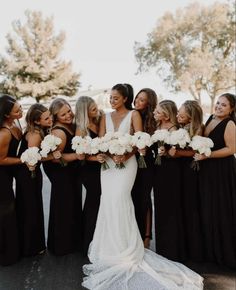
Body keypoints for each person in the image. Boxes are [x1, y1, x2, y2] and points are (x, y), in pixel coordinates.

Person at [82, 84, 203, 290]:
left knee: (121, 198)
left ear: (125, 98)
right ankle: (107, 247)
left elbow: (140, 142)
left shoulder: (134, 115)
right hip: (109, 164)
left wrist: (125, 154)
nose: (112, 101)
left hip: (128, 163)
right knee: (108, 200)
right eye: (110, 98)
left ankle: (126, 246)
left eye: (116, 98)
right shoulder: (105, 117)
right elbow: (102, 141)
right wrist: (110, 154)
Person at [194, 93, 236, 268]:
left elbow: (231, 149)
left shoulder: (230, 124)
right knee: (207, 208)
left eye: (224, 105)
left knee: (221, 209)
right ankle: (210, 251)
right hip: (207, 170)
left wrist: (208, 155)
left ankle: (225, 254)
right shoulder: (211, 118)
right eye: (218, 103)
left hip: (222, 171)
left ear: (231, 109)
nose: (219, 106)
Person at [15, 103, 59, 257]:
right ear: (37, 121)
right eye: (46, 118)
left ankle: (33, 245)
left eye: (50, 115)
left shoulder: (38, 130)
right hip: (28, 174)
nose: (50, 119)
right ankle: (32, 247)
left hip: (30, 173)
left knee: (32, 207)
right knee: (31, 209)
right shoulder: (34, 134)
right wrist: (53, 155)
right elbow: (33, 158)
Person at [43, 98, 82, 255]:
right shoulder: (59, 132)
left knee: (71, 206)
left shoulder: (70, 126)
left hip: (71, 173)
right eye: (63, 114)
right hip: (62, 174)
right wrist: (77, 156)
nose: (68, 115)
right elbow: (55, 157)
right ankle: (62, 245)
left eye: (69, 111)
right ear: (56, 116)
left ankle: (71, 241)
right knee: (64, 208)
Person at [169, 100, 204, 262]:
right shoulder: (180, 128)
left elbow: (194, 152)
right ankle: (181, 246)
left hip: (191, 171)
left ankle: (194, 250)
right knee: (180, 206)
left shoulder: (198, 129)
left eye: (181, 114)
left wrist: (177, 154)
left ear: (190, 117)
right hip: (179, 170)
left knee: (191, 207)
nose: (177, 116)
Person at [152, 100, 186, 262]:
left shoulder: (176, 130)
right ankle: (162, 247)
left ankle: (173, 249)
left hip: (171, 172)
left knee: (171, 207)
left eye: (158, 112)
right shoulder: (158, 127)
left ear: (166, 115)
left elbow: (179, 152)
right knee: (161, 207)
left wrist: (168, 152)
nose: (154, 114)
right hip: (158, 172)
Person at [75, 96, 104, 255]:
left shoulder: (98, 121)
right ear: (84, 112)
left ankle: (100, 238)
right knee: (93, 201)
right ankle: (88, 241)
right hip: (88, 170)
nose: (97, 110)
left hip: (100, 168)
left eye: (96, 107)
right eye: (93, 109)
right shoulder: (81, 129)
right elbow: (80, 154)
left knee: (100, 201)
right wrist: (95, 158)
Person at [131, 88, 157, 248]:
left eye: (142, 100)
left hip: (147, 163)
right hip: (130, 161)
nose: (137, 101)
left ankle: (147, 236)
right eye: (137, 98)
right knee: (132, 198)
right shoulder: (131, 114)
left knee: (144, 199)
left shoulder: (153, 119)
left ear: (149, 103)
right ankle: (133, 234)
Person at [0, 94, 22, 266]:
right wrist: (23, 160)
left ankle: (14, 249)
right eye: (17, 110)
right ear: (7, 115)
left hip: (9, 175)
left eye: (20, 106)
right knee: (6, 213)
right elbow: (1, 159)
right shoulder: (4, 134)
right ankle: (7, 255)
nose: (21, 110)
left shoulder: (15, 124)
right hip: (1, 177)